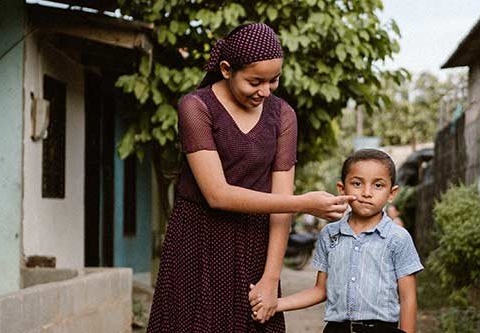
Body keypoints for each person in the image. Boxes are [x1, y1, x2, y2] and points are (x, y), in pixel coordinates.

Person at [146, 22, 355, 333]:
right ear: (227, 69)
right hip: (197, 241)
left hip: (255, 247)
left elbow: (280, 205)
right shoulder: (196, 107)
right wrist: (304, 203)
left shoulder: (283, 116)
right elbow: (217, 194)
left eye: (274, 80)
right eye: (255, 81)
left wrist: (271, 279)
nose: (265, 91)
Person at [252, 149, 423, 333]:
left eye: (378, 185)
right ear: (342, 189)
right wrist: (276, 304)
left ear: (392, 193)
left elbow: (408, 298)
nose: (367, 193)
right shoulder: (329, 234)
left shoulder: (398, 238)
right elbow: (320, 290)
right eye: (357, 183)